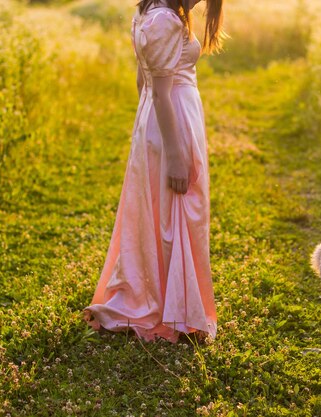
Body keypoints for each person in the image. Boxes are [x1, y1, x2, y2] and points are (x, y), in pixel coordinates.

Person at [84, 0, 224, 342]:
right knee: (176, 213)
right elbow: (161, 94)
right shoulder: (165, 20)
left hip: (164, 122)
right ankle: (171, 308)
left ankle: (170, 300)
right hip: (171, 124)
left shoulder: (155, 12)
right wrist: (174, 152)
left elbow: (141, 83)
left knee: (163, 212)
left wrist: (145, 130)